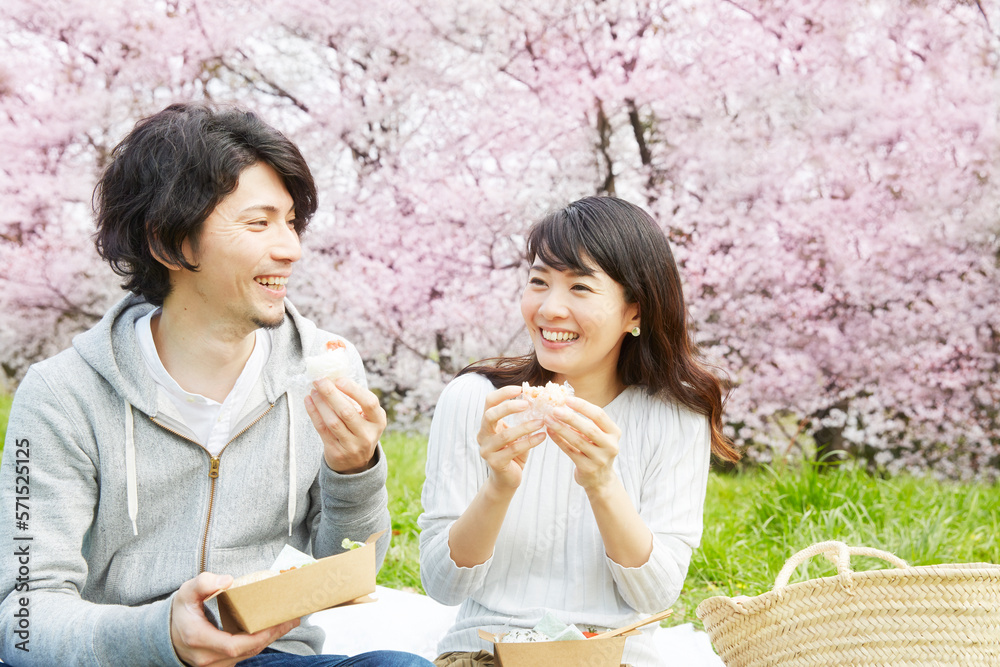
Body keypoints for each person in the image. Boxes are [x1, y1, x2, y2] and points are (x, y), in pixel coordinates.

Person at [0, 103, 432, 667]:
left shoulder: (325, 366)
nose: (291, 248)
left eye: (290, 222)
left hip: (266, 655)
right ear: (168, 242)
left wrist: (354, 471)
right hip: (121, 655)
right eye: (259, 223)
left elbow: (350, 570)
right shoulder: (62, 395)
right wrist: (162, 636)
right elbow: (22, 618)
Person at [418, 196, 741, 666]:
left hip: (615, 658)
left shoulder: (675, 416)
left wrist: (601, 483)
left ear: (635, 312)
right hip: (485, 654)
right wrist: (499, 486)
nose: (550, 309)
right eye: (539, 282)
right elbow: (442, 585)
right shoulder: (476, 400)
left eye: (580, 287)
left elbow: (656, 594)